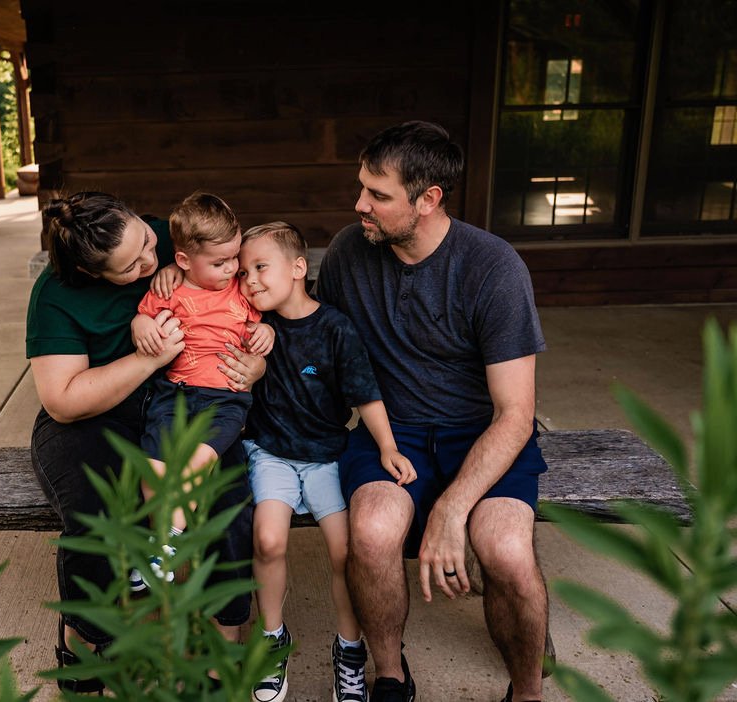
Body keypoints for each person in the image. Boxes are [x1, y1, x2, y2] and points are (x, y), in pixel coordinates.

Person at [316, 121, 549, 702]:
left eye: (378, 195)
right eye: (362, 188)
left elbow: (517, 413)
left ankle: (527, 691)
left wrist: (452, 510)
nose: (359, 204)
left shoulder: (492, 267)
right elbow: (311, 336)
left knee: (506, 549)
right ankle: (391, 676)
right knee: (371, 533)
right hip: (391, 431)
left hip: (484, 434)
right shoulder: (350, 252)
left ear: (428, 200)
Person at [26, 191, 265, 695]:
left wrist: (254, 361)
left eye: (146, 242)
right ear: (94, 275)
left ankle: (222, 640)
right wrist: (149, 358)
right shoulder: (56, 294)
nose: (148, 259)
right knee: (97, 509)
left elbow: (238, 265)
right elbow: (63, 401)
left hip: (182, 403)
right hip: (95, 417)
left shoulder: (168, 240)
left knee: (228, 499)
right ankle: (87, 637)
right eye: (131, 265)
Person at [236, 222, 416, 702]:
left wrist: (387, 447)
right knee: (268, 539)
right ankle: (273, 638)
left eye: (260, 267)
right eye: (242, 271)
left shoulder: (335, 327)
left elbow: (365, 393)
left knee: (345, 552)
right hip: (270, 452)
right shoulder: (251, 326)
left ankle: (349, 648)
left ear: (298, 268)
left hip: (326, 457)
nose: (249, 280)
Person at [131, 193, 273, 587]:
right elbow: (142, 320)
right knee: (155, 465)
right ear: (182, 261)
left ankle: (166, 545)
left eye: (235, 256)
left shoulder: (242, 292)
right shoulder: (167, 290)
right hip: (172, 394)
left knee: (198, 460)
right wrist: (141, 327)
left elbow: (257, 323)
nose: (233, 268)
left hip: (225, 399)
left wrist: (266, 331)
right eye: (220, 262)